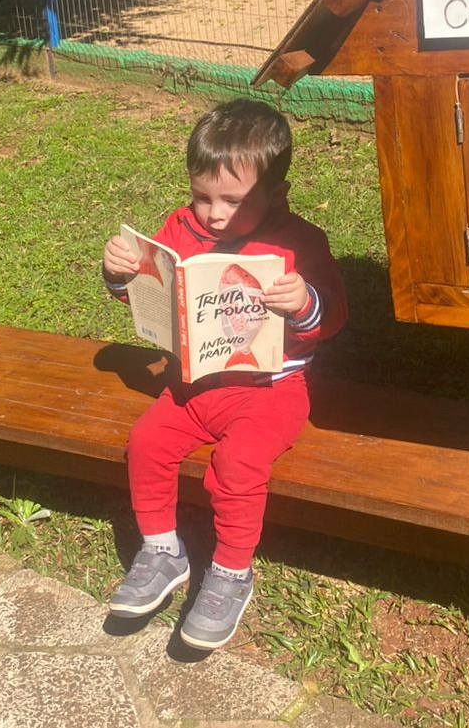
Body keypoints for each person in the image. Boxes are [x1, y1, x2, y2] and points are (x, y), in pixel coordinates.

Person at [101, 98, 347, 650]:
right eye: (202, 197)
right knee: (145, 441)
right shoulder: (181, 228)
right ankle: (163, 551)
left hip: (272, 390)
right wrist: (121, 275)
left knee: (237, 463)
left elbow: (332, 318)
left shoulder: (300, 242)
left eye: (233, 203)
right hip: (195, 383)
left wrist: (303, 299)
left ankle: (232, 573)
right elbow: (151, 295)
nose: (213, 215)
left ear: (276, 193)